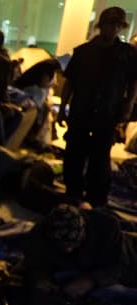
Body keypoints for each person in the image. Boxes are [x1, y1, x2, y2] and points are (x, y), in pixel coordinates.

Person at [23, 203, 137, 305]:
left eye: (73, 245)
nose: (69, 250)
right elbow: (34, 264)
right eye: (64, 246)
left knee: (115, 295)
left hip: (122, 275)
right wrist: (41, 279)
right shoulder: (41, 234)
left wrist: (91, 281)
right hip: (73, 274)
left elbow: (119, 266)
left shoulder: (107, 227)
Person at [57, 6, 137, 207]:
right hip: (81, 111)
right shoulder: (83, 52)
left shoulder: (127, 54)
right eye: (110, 24)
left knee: (99, 160)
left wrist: (127, 107)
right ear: (102, 26)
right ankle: (73, 193)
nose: (113, 29)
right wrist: (61, 109)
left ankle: (96, 200)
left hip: (107, 114)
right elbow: (70, 83)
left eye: (118, 25)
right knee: (74, 155)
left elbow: (133, 83)